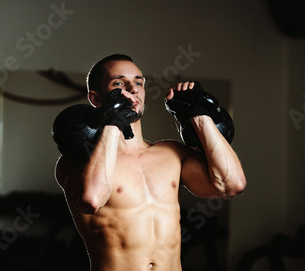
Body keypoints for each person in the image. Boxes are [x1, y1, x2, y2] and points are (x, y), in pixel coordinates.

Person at [54, 54, 246, 271]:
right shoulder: (78, 163)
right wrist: (112, 124)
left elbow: (232, 184)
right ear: (96, 99)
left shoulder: (171, 153)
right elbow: (90, 199)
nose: (132, 88)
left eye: (138, 82)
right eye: (118, 83)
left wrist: (199, 116)